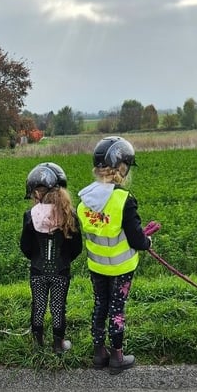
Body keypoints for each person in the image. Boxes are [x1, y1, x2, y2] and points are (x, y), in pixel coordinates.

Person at [77, 136, 152, 374]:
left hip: (97, 267)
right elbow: (137, 240)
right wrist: (147, 240)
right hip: (121, 269)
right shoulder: (123, 200)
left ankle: (99, 354)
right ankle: (117, 357)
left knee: (100, 306)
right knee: (117, 310)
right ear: (120, 168)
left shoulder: (84, 202)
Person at [20, 162, 83, 355]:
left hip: (37, 271)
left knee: (38, 305)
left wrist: (35, 258)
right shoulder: (69, 214)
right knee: (58, 307)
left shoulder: (30, 216)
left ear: (38, 193)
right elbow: (76, 248)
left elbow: (25, 247)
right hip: (61, 271)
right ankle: (58, 345)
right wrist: (64, 261)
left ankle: (37, 345)